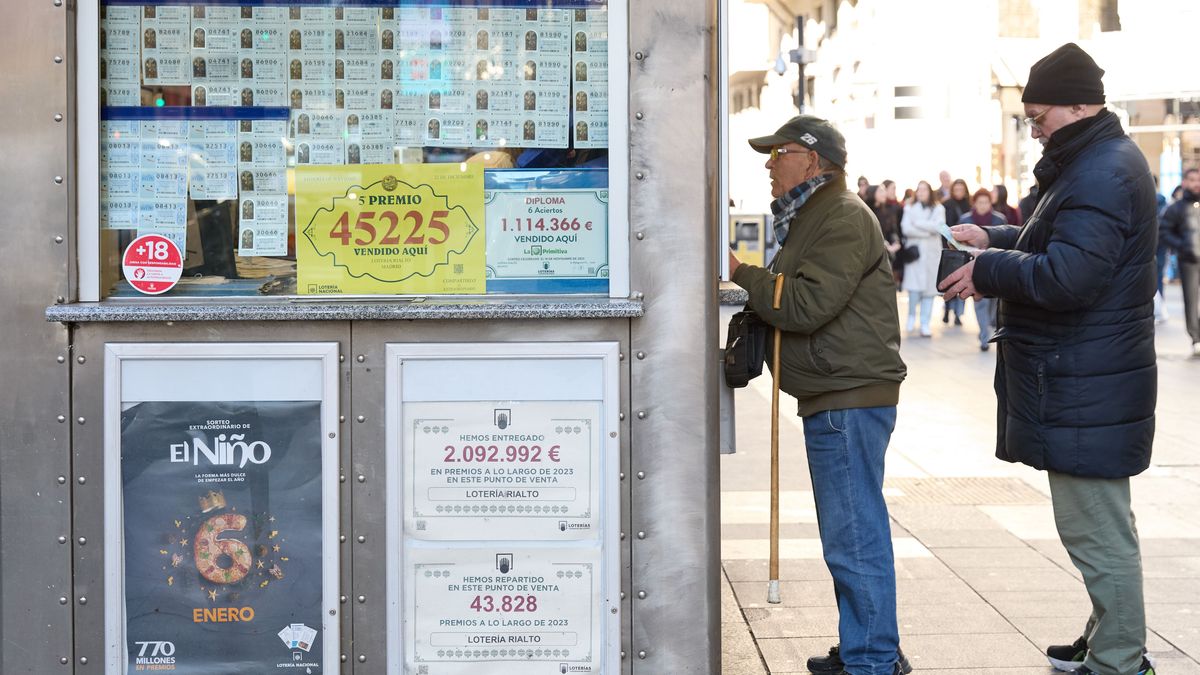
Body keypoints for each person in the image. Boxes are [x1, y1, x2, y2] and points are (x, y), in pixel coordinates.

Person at [939, 43, 1157, 675]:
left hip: (1089, 376)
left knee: (1097, 531)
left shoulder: (1101, 171)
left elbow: (1071, 276)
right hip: (1086, 374)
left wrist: (990, 270)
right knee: (1096, 524)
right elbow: (1063, 242)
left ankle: (1119, 661)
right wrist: (996, 238)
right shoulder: (1094, 162)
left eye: (1039, 116)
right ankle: (1104, 641)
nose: (1033, 128)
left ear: (1080, 105)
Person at [730, 115, 909, 675]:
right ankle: (866, 643)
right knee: (850, 533)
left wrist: (742, 274)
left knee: (853, 536)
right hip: (837, 392)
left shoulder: (840, 216)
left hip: (847, 395)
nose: (768, 163)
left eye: (777, 152)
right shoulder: (816, 213)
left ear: (812, 160)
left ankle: (873, 659)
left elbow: (804, 304)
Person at [957, 189, 1007, 351]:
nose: (983, 205)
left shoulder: (999, 219)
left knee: (993, 302)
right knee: (980, 304)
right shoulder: (966, 220)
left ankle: (987, 328)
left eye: (986, 202)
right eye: (980, 202)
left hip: (996, 267)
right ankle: (984, 336)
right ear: (975, 203)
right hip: (973, 267)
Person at [1159, 167, 1200, 354]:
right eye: (1192, 180)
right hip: (1189, 260)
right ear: (1185, 182)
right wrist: (1182, 246)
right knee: (1190, 300)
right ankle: (1196, 337)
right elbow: (1164, 230)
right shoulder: (1176, 208)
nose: (1196, 183)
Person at [899, 181, 946, 337]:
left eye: (924, 189)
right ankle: (911, 317)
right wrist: (927, 231)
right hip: (916, 254)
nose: (921, 192)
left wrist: (918, 224)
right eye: (918, 190)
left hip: (932, 254)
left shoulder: (939, 208)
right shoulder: (909, 207)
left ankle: (925, 323)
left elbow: (938, 227)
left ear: (929, 191)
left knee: (930, 290)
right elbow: (906, 228)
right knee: (913, 289)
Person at [941, 179, 972, 324]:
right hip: (949, 246)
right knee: (949, 280)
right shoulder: (947, 204)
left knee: (963, 281)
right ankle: (947, 309)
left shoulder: (969, 205)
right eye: (956, 189)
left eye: (961, 189)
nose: (959, 192)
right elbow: (942, 226)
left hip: (965, 247)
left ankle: (959, 314)